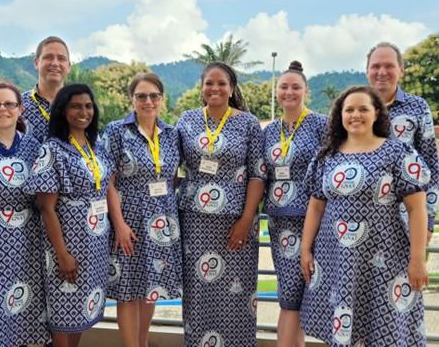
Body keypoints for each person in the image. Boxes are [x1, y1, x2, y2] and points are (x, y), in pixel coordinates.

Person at [300, 86, 429, 346]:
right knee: (343, 326)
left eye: (363, 109)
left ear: (377, 113)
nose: (355, 115)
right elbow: (315, 206)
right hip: (336, 256)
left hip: (385, 257)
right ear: (340, 115)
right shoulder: (327, 157)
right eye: (349, 109)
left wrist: (417, 260)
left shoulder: (398, 153)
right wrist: (305, 249)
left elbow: (417, 208)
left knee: (386, 327)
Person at [176, 62, 265, 347]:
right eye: (209, 83)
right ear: (201, 88)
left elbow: (257, 174)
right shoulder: (186, 120)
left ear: (231, 88)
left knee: (236, 295)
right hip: (194, 222)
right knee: (198, 292)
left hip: (236, 222)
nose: (215, 88)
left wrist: (246, 218)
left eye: (221, 83)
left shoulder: (248, 123)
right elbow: (167, 165)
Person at [24, 83, 114, 347]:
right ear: (63, 111)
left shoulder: (95, 147)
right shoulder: (53, 149)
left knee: (82, 311)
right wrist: (62, 254)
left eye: (88, 106)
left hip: (96, 243)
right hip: (68, 243)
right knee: (63, 312)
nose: (83, 111)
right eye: (75, 106)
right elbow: (46, 207)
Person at [102, 73, 182, 347]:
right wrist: (119, 223)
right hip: (130, 219)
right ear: (132, 99)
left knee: (151, 287)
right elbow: (108, 181)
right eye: (141, 96)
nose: (148, 101)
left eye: (153, 96)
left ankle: (142, 342)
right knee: (127, 291)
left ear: (161, 99)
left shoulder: (172, 134)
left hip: (162, 219)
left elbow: (172, 177)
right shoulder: (116, 131)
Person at [0, 82, 49, 346]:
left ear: (20, 109)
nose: (3, 109)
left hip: (26, 242)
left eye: (9, 104)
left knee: (22, 310)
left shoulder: (33, 146)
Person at [262, 61, 327, 347]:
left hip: (316, 220)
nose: (289, 92)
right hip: (280, 222)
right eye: (284, 87)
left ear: (306, 91)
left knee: (311, 294)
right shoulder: (269, 130)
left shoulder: (322, 125)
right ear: (277, 91)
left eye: (295, 87)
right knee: (290, 296)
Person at [366, 42, 439, 240]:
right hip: (360, 221)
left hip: (408, 219)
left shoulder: (418, 107)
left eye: (389, 66)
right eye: (376, 66)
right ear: (367, 71)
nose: (382, 72)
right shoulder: (354, 108)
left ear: (401, 70)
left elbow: (431, 165)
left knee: (410, 271)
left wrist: (429, 221)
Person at [22, 36, 71, 142]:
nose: (55, 63)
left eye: (61, 58)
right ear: (36, 63)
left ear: (69, 66)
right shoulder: (17, 105)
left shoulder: (81, 106)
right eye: (48, 57)